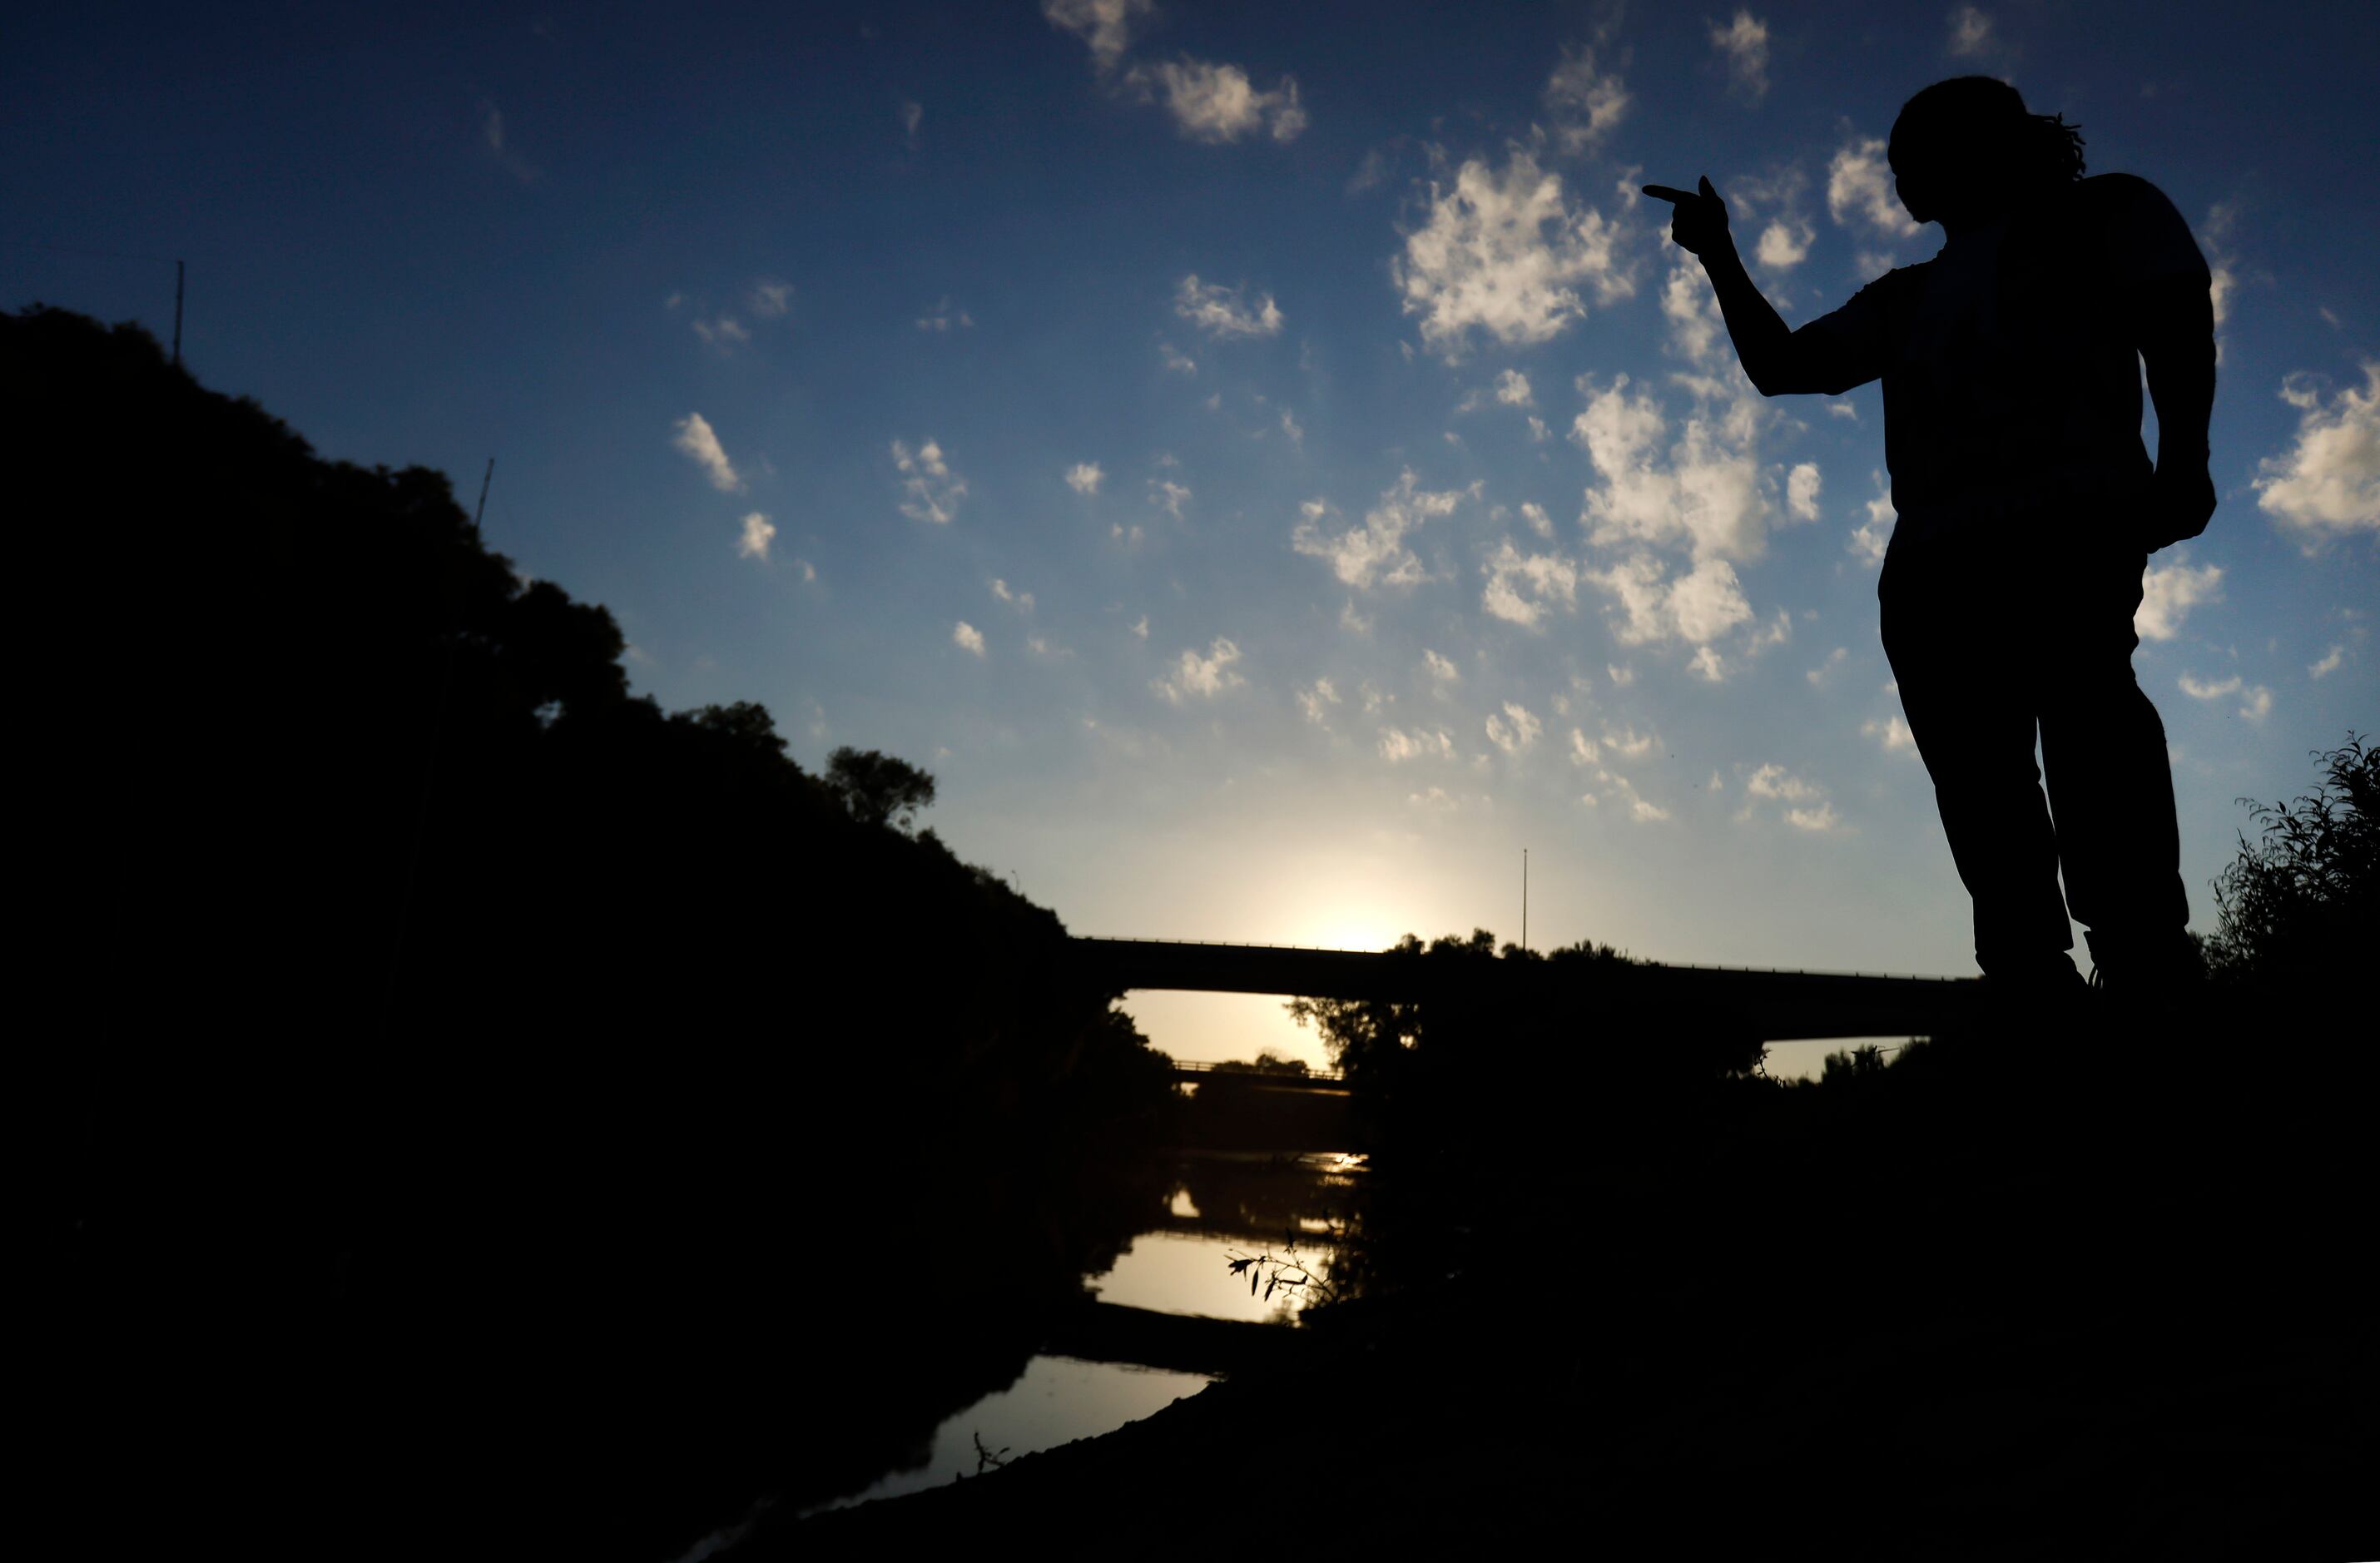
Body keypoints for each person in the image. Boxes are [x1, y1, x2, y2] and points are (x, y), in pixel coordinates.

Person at [1647, 76, 2216, 1001]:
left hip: (2066, 528)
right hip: (1931, 568)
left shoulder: (2104, 211)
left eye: (1910, 159)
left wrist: (2185, 455)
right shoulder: (1903, 297)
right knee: (1981, 779)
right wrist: (1717, 255)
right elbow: (1785, 367)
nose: (1900, 180)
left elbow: (2173, 313)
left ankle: (2144, 956)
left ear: (1977, 147)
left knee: (2091, 731)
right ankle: (2031, 977)